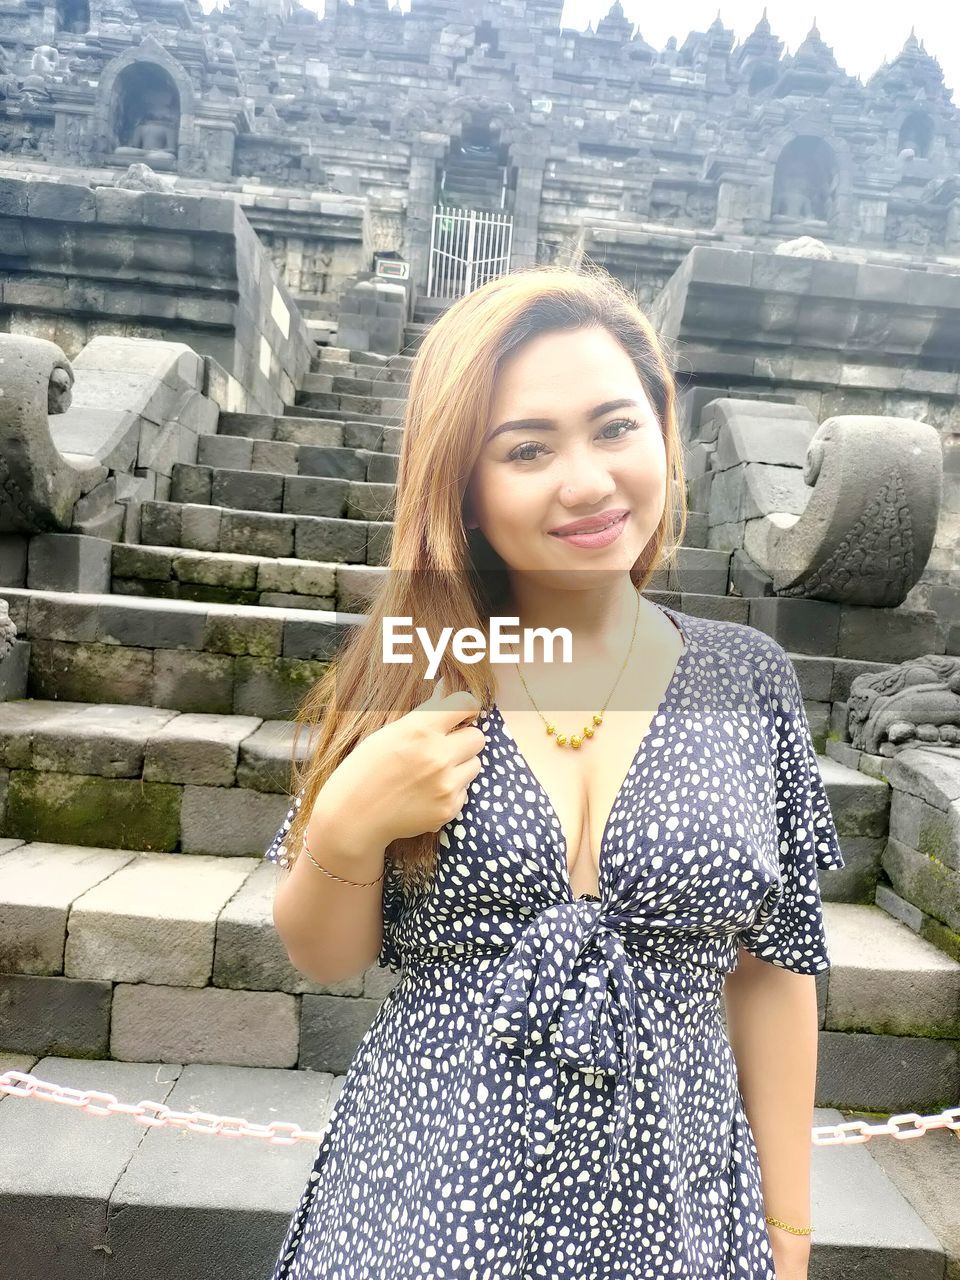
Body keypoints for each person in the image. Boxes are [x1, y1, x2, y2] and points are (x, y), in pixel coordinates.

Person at [261, 262, 845, 1279]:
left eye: (616, 427)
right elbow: (326, 952)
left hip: (680, 1205)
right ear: (468, 488)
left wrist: (787, 1234)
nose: (587, 479)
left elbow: (774, 968)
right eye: (528, 448)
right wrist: (344, 829)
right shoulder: (417, 661)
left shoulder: (745, 678)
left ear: (662, 431)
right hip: (426, 1202)